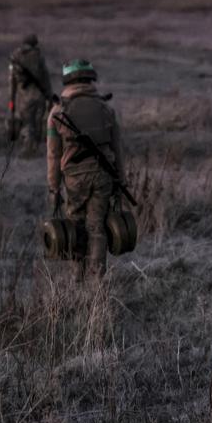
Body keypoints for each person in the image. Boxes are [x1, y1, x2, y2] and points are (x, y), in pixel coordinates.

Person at [46, 59, 124, 281]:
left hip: (74, 179)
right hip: (104, 176)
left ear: (68, 79)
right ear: (90, 78)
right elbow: (117, 148)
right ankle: (97, 283)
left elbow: (53, 155)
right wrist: (122, 180)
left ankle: (76, 280)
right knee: (97, 227)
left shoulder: (57, 111)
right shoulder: (106, 109)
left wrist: (53, 188)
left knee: (75, 227)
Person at [9, 34, 53, 158]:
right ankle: (34, 148)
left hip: (24, 98)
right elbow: (46, 79)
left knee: (28, 123)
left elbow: (11, 82)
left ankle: (27, 148)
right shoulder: (39, 57)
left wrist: (11, 102)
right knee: (38, 123)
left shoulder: (15, 57)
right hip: (39, 96)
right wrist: (50, 98)